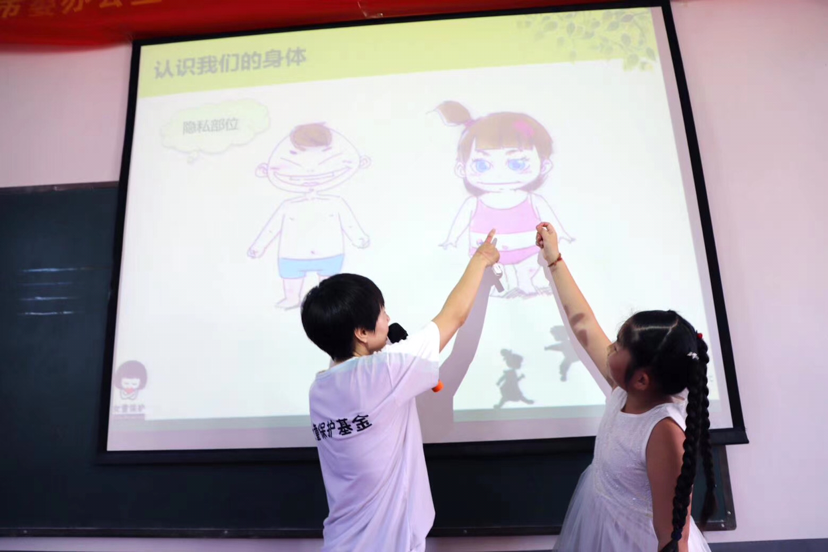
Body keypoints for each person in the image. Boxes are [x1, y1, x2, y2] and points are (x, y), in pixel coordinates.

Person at [301, 229, 500, 552]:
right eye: (382, 312)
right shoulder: (385, 371)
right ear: (362, 332)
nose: (388, 318)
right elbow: (454, 317)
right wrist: (481, 259)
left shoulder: (319, 388)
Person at [536, 222, 715, 552]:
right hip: (600, 516)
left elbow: (673, 537)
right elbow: (584, 324)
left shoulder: (663, 432)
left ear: (642, 379)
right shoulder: (625, 391)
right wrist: (554, 260)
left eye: (618, 346)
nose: (610, 348)